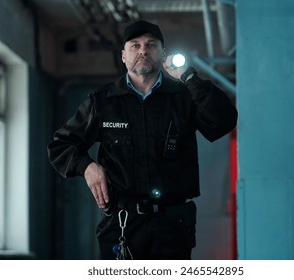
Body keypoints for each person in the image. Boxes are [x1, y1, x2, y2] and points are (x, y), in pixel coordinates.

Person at [47, 20, 237, 260]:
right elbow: (60, 145)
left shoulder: (182, 97)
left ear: (163, 54)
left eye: (151, 45)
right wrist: (87, 166)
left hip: (173, 226)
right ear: (124, 56)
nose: (143, 51)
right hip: (122, 224)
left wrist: (189, 78)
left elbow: (224, 121)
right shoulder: (103, 101)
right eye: (135, 46)